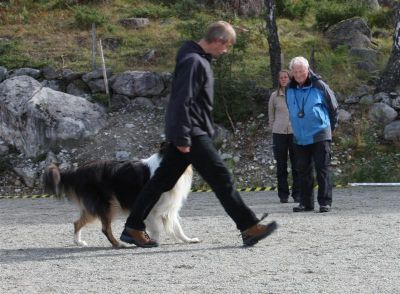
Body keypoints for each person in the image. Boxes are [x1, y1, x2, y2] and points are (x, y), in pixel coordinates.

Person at [120, 21, 278, 248]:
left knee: (160, 182)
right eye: (227, 46)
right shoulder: (193, 61)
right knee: (222, 179)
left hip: (188, 132)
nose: (226, 51)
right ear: (217, 41)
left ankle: (133, 227)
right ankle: (249, 227)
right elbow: (181, 101)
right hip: (192, 133)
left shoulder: (194, 58)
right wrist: (184, 137)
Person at [285, 56, 338, 213]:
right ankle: (306, 203)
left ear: (307, 70)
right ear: (291, 72)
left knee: (322, 169)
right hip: (300, 136)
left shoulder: (319, 85)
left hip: (320, 133)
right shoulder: (289, 88)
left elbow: (333, 108)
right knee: (303, 170)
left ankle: (324, 202)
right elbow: (291, 108)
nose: (298, 74)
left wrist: (329, 129)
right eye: (295, 71)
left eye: (301, 71)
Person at [268, 70, 300, 204]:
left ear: (290, 78)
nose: (283, 79)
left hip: (295, 133)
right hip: (279, 133)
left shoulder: (297, 93)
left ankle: (297, 194)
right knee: (281, 166)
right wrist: (274, 128)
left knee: (297, 165)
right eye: (281, 77)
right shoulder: (274, 96)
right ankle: (283, 195)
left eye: (286, 77)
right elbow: (271, 115)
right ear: (278, 80)